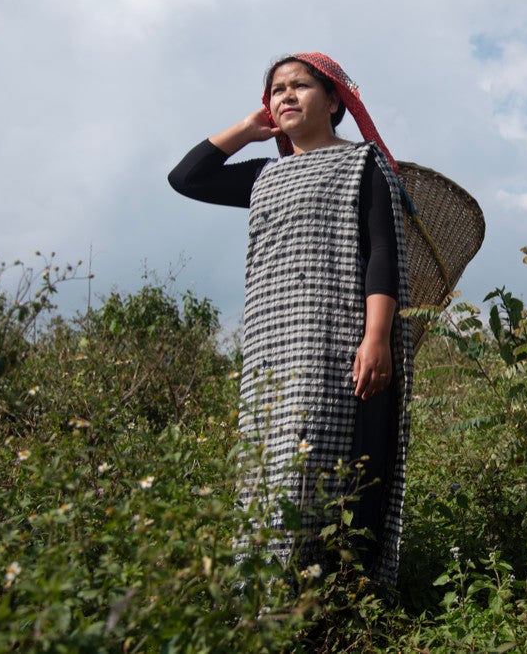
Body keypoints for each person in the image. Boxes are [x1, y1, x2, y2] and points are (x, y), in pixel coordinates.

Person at [167, 53, 413, 586]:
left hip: (339, 343)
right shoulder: (264, 175)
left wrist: (377, 339)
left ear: (335, 100)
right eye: (276, 90)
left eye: (300, 86)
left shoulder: (364, 164)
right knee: (273, 464)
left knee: (338, 461)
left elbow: (382, 257)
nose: (286, 97)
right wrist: (246, 130)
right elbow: (186, 178)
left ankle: (342, 593)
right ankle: (273, 591)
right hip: (272, 352)